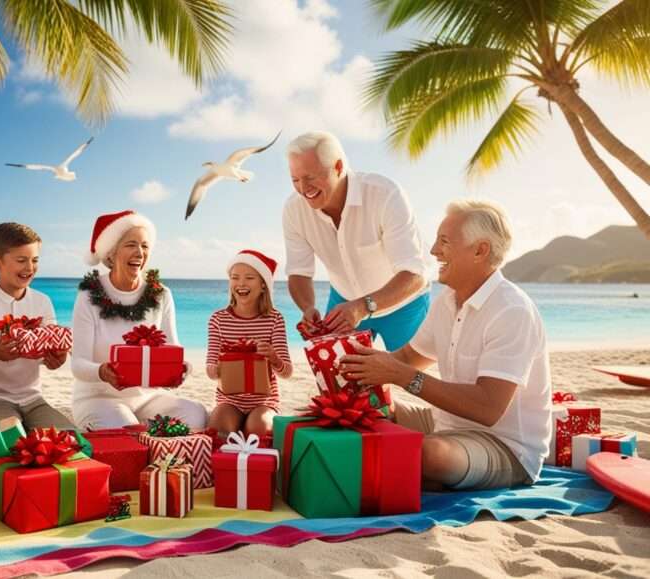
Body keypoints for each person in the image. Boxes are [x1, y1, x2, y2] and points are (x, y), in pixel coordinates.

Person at [342, 200, 552, 490]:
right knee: (359, 411)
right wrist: (360, 367)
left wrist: (400, 376)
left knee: (430, 455)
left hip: (505, 445)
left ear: (480, 250)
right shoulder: (447, 302)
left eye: (444, 242)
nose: (433, 251)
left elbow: (488, 409)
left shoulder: (512, 310)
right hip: (446, 424)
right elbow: (407, 357)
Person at [284, 131, 429, 350]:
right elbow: (298, 272)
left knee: (408, 376)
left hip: (405, 304)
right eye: (295, 180)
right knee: (339, 377)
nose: (303, 189)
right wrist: (307, 307)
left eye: (310, 177)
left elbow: (414, 273)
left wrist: (362, 307)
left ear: (338, 167)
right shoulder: (293, 210)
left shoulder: (385, 194)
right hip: (343, 302)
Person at [71, 210, 207, 430]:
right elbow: (78, 364)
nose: (139, 252)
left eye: (145, 246)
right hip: (97, 399)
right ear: (111, 253)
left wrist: (183, 369)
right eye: (130, 245)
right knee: (128, 430)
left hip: (147, 398)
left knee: (196, 414)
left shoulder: (161, 294)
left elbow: (173, 348)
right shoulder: (88, 296)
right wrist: (102, 372)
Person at [0, 222, 74, 432]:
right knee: (10, 443)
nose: (30, 268)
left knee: (70, 440)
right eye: (21, 260)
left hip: (34, 399)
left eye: (35, 260)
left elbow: (49, 357)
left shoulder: (43, 302)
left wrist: (56, 359)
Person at [205, 250, 292, 437]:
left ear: (263, 285)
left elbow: (287, 372)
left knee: (257, 429)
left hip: (264, 402)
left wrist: (273, 357)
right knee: (217, 428)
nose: (241, 283)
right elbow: (211, 370)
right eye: (235, 277)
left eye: (249, 278)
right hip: (229, 400)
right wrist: (218, 366)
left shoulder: (274, 319)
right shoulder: (218, 320)